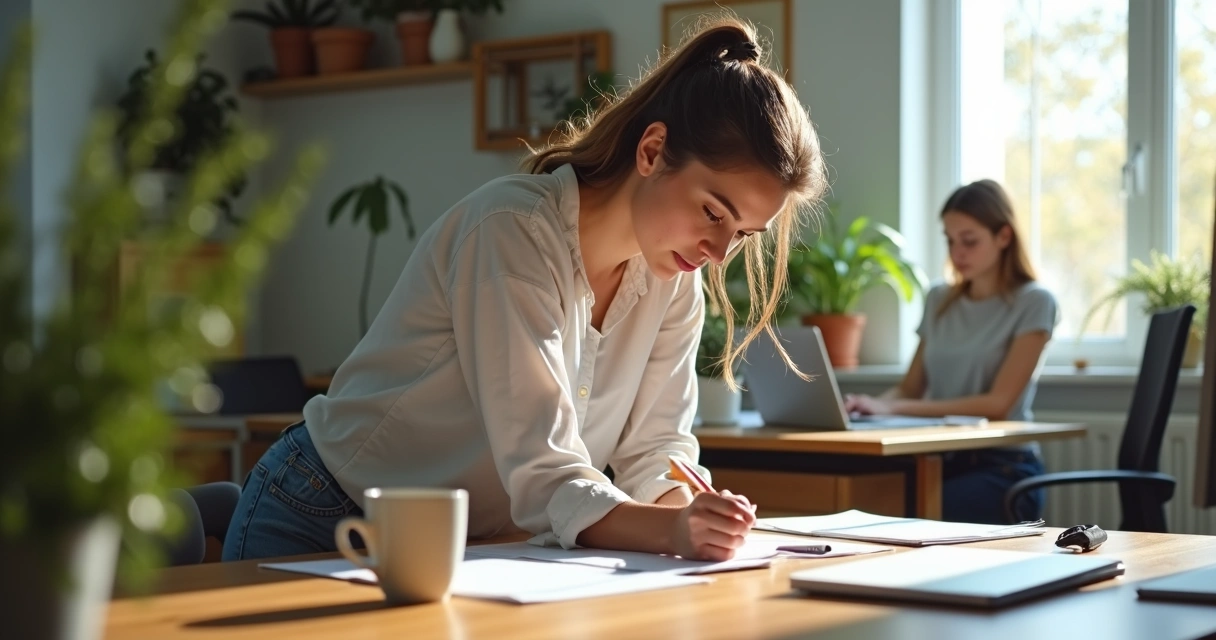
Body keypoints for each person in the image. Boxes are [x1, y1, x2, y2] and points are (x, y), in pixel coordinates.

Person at [222, 18, 828, 562]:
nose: (719, 253)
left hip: (474, 544)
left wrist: (694, 514)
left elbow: (657, 450)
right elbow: (544, 472)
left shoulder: (674, 283)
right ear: (652, 151)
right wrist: (672, 533)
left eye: (744, 234)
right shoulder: (512, 233)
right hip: (326, 512)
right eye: (713, 213)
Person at [843, 179, 1059, 525]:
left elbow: (998, 405)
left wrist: (894, 407)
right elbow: (910, 388)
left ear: (1004, 236)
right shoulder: (939, 299)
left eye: (969, 241)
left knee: (899, 516)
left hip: (1003, 467)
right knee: (855, 498)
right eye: (950, 240)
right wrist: (868, 408)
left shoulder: (1034, 302)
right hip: (937, 460)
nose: (957, 253)